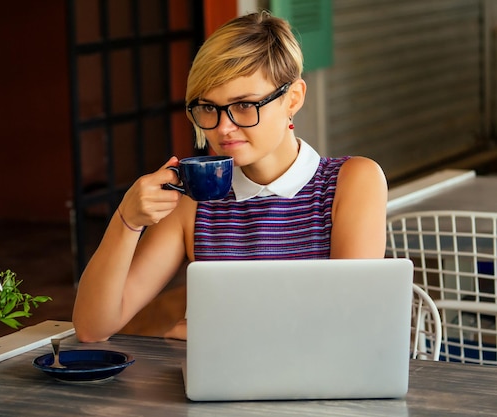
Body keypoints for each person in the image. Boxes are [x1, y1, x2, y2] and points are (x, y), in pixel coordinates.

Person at [72, 11, 388, 342]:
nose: (223, 127)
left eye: (244, 105)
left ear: (293, 98)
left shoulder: (351, 182)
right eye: (208, 107)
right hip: (215, 392)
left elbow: (351, 326)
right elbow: (94, 328)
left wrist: (220, 332)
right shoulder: (194, 199)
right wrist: (126, 220)